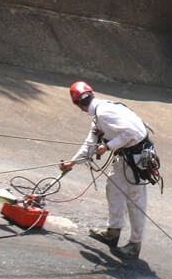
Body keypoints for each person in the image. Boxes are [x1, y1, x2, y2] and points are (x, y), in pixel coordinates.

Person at [59, 80, 150, 260]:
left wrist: (108, 146)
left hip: (137, 159)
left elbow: (130, 132)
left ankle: (134, 244)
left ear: (78, 105)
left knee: (135, 202)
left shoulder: (104, 112)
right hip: (125, 156)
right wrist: (72, 162)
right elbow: (90, 144)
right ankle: (113, 232)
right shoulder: (101, 112)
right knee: (114, 189)